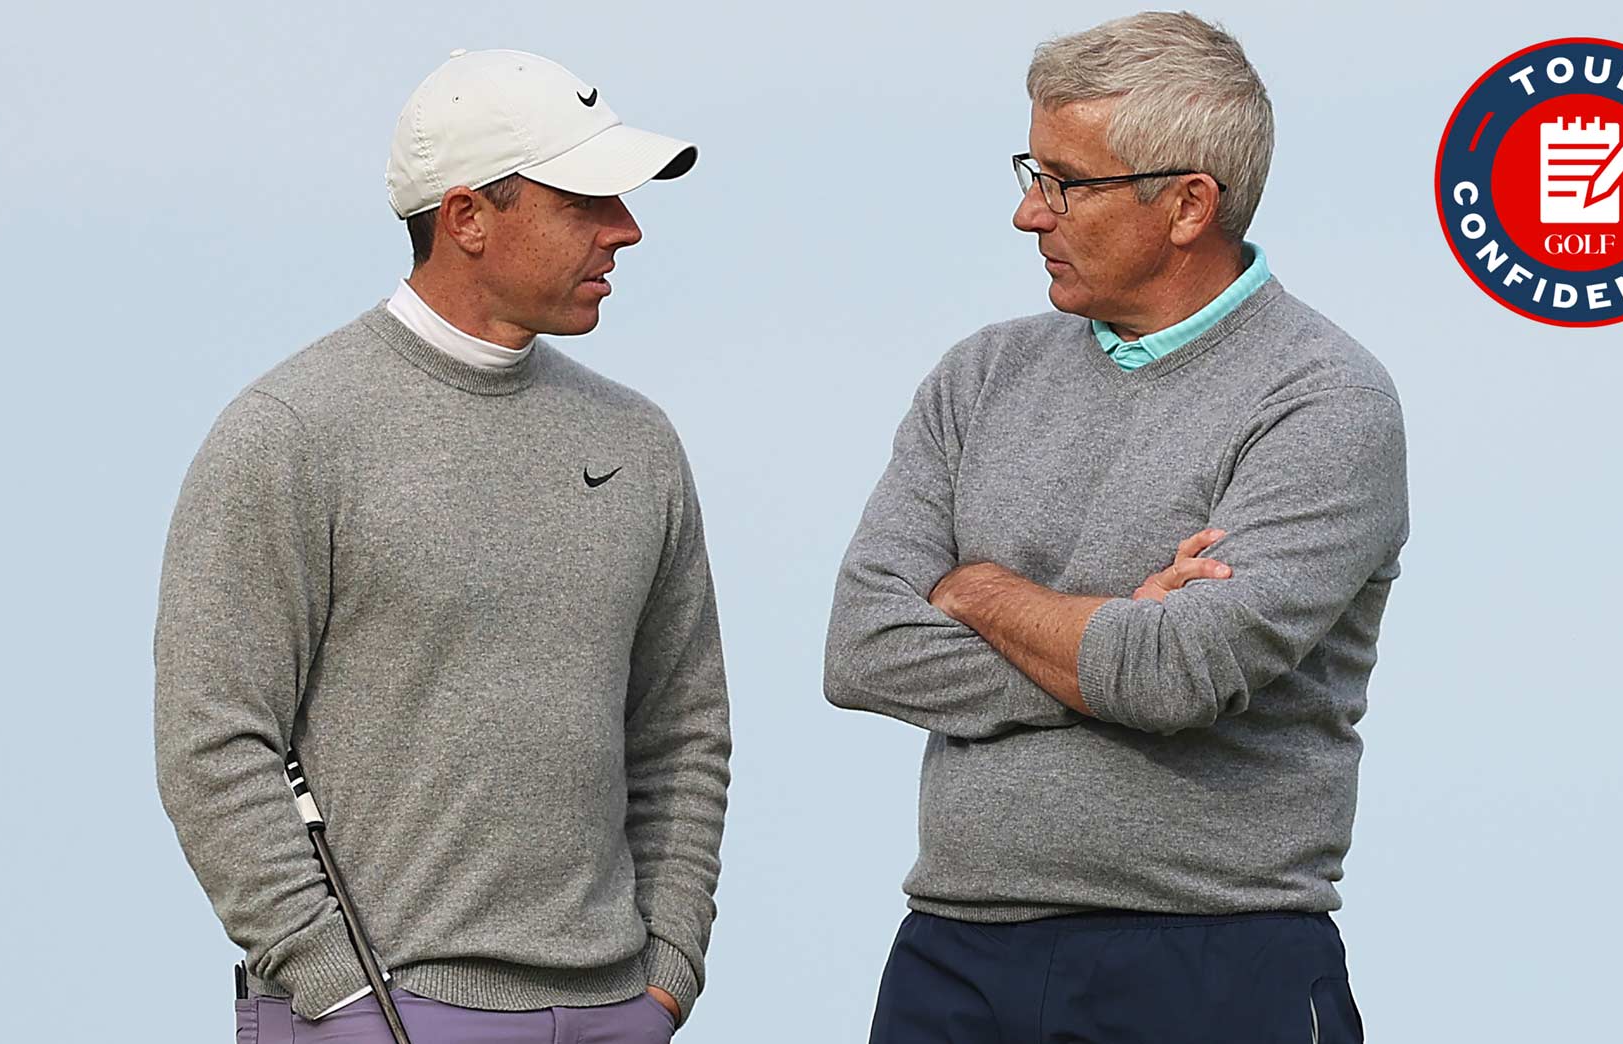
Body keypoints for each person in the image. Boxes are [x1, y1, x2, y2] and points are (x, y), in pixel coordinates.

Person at [824, 12, 1407, 1042]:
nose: (1025, 213)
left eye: (1062, 182)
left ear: (1187, 204)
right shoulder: (979, 376)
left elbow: (1176, 672)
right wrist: (1107, 636)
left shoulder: (1323, 402)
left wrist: (978, 592)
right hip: (951, 953)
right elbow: (864, 650)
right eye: (1029, 171)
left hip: (1213, 963)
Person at [155, 48, 730, 1043]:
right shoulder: (291, 432)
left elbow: (682, 734)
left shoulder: (637, 443)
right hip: (377, 1010)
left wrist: (668, 975)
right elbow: (213, 743)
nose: (625, 230)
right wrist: (337, 994)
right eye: (584, 201)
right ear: (465, 218)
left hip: (613, 1012)